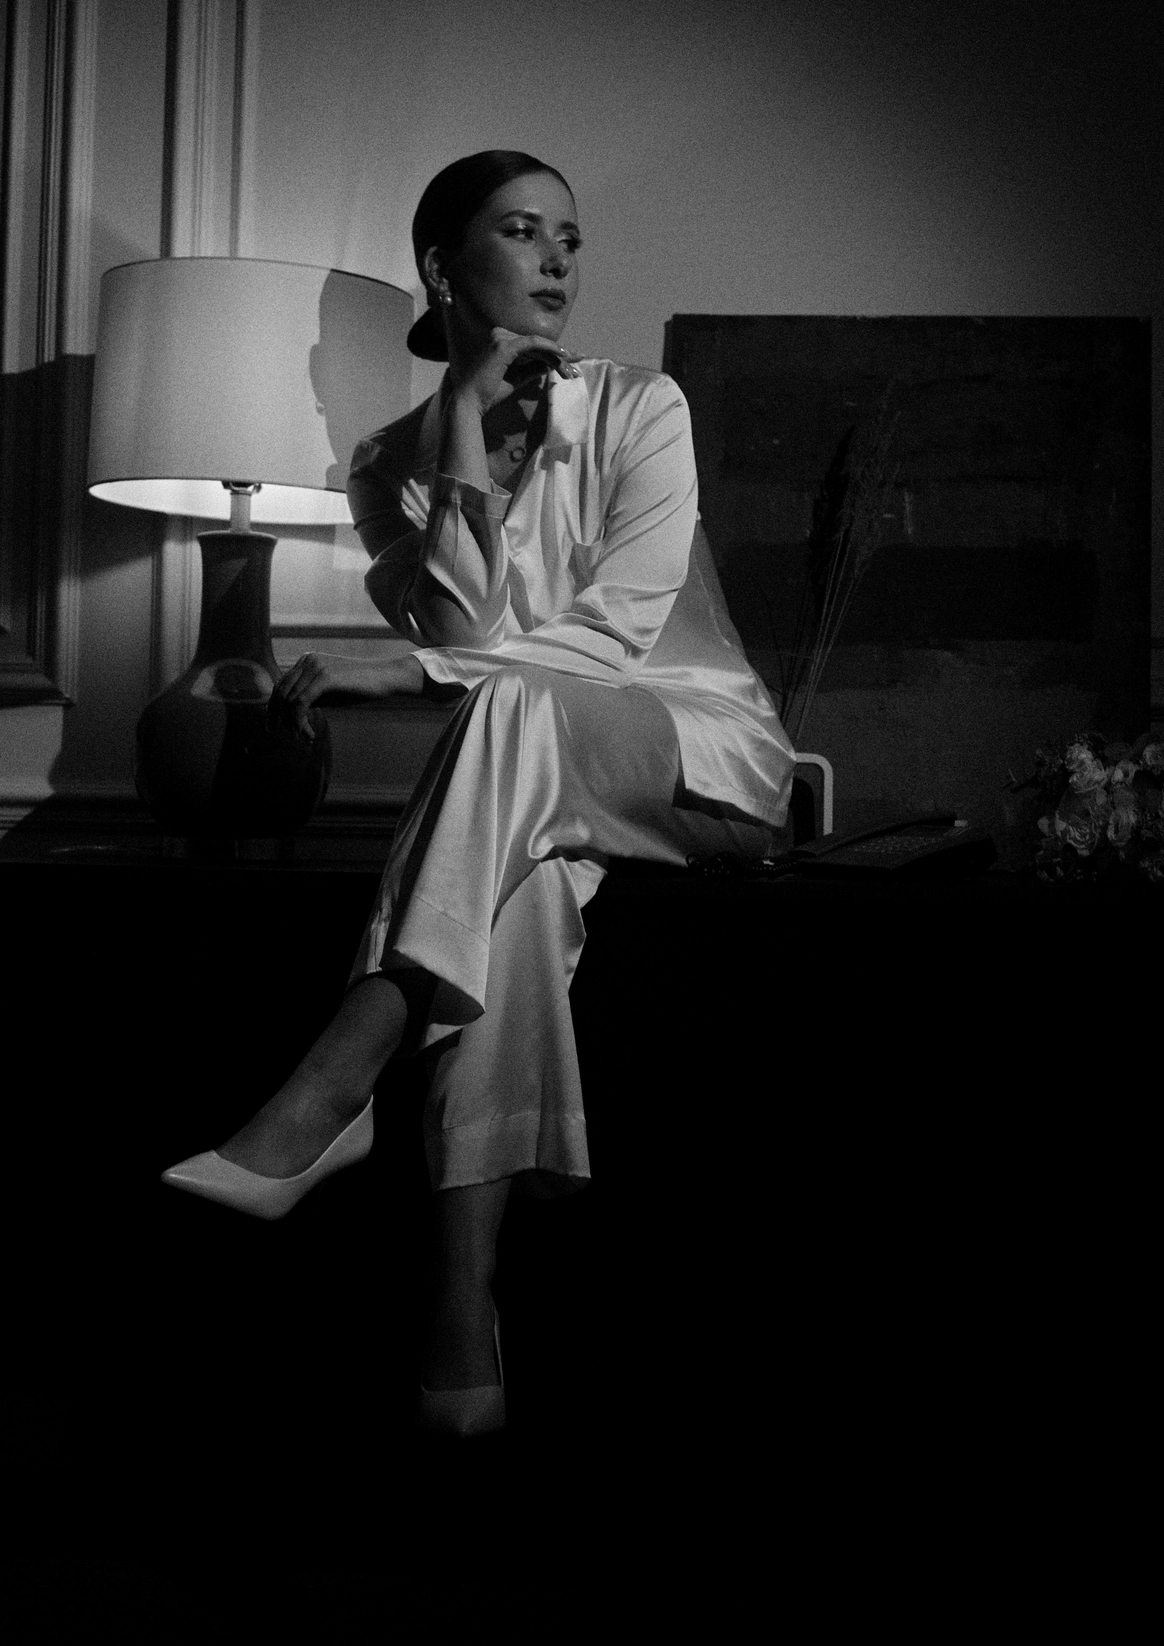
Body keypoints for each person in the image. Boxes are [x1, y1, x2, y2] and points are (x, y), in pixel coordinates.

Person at [160, 150, 796, 1436]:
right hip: (537, 795)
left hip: (697, 763)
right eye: (521, 231)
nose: (558, 259)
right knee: (515, 902)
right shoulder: (383, 467)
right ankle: (463, 1301)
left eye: (570, 236)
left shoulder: (640, 407)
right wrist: (458, 410)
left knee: (505, 712)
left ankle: (334, 1079)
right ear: (443, 268)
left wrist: (414, 671)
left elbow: (610, 637)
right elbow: (461, 617)